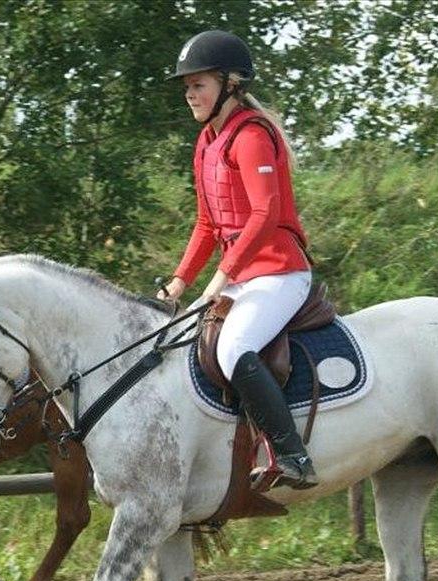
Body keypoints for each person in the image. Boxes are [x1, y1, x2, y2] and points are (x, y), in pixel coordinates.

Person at [159, 29, 318, 490]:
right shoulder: (206, 142)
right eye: (187, 86)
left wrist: (221, 276)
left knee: (232, 350)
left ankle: (292, 455)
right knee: (177, 340)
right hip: (242, 277)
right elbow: (208, 224)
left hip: (280, 272)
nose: (190, 94)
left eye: (199, 84)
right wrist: (179, 282)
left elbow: (265, 212)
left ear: (230, 84)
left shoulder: (250, 136)